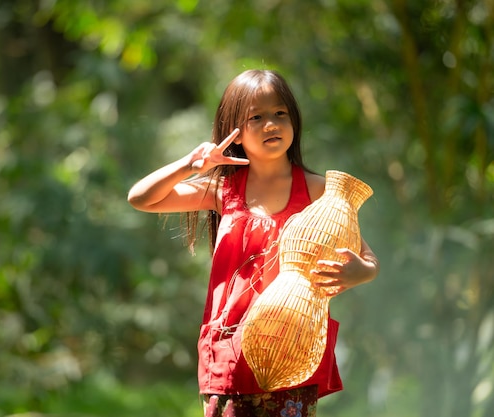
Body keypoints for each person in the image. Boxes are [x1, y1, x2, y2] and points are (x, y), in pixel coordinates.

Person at [127, 69, 379, 417]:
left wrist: (360, 272)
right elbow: (141, 198)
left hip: (293, 351)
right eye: (256, 118)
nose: (271, 125)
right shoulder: (223, 190)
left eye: (280, 114)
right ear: (235, 131)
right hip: (229, 356)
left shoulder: (318, 191)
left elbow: (367, 257)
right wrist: (190, 164)